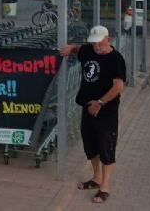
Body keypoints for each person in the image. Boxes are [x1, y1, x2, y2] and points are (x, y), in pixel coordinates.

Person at [59, 25, 126, 204]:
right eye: (93, 43)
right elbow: (78, 48)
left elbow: (119, 86)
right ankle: (96, 178)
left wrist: (100, 103)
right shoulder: (88, 50)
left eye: (99, 43)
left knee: (106, 147)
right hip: (87, 108)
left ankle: (104, 187)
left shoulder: (116, 59)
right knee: (90, 145)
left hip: (106, 111)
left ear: (108, 40)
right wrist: (70, 47)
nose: (96, 46)